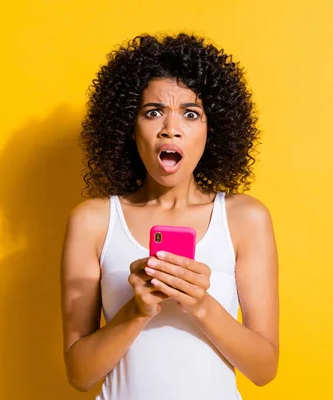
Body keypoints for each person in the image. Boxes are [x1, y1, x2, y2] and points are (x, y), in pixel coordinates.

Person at [60, 33, 279, 400]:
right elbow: (79, 375)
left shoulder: (246, 219)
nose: (170, 128)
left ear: (213, 130)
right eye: (153, 112)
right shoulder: (93, 222)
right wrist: (137, 311)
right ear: (130, 128)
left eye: (190, 114)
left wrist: (200, 304)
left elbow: (264, 370)